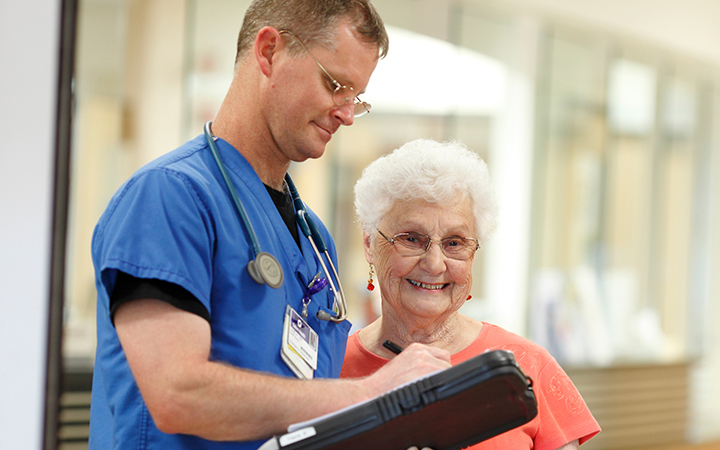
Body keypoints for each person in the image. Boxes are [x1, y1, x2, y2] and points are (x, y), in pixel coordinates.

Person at [88, 1, 450, 449]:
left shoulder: (314, 240)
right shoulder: (170, 198)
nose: (347, 114)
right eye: (335, 85)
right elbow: (178, 394)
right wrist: (368, 392)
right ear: (269, 52)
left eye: (356, 97)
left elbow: (308, 409)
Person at [343, 139, 601, 449]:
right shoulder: (330, 370)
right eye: (411, 238)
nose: (435, 264)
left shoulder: (526, 367)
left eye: (454, 243)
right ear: (370, 244)